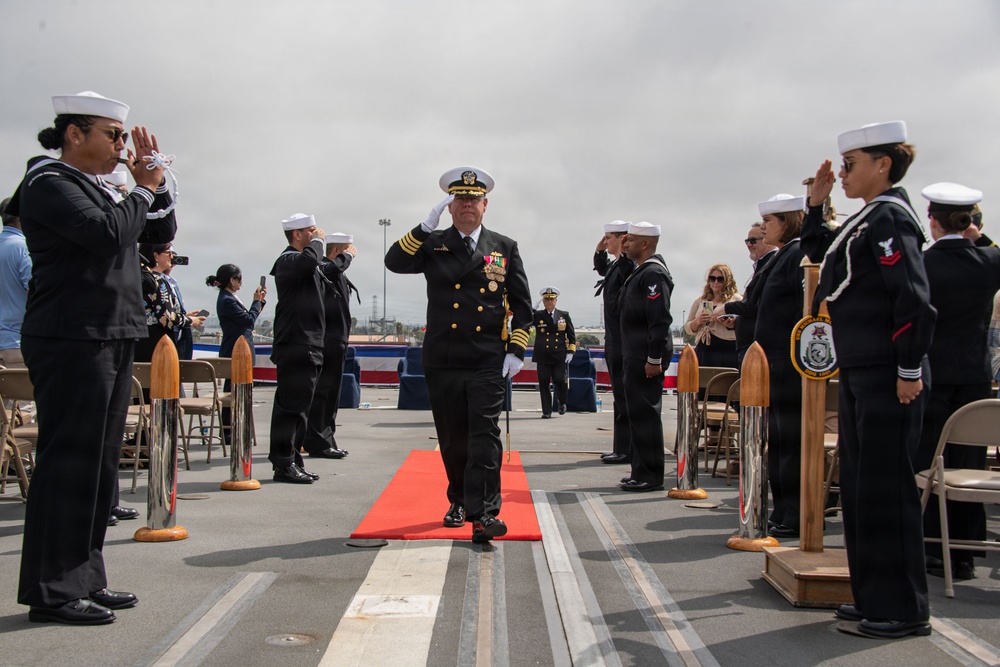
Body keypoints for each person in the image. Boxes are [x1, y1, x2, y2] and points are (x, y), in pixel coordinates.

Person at [9, 90, 176, 625]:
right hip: (71, 337)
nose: (122, 146)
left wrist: (157, 183)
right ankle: (51, 590)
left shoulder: (99, 188)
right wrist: (141, 189)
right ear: (74, 134)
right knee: (69, 464)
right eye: (114, 135)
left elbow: (157, 233)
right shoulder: (48, 183)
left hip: (110, 333)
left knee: (99, 469)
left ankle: (85, 577)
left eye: (125, 137)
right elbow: (107, 235)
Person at [802, 121, 935, 639]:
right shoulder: (868, 219)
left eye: (852, 164)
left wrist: (907, 368)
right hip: (862, 368)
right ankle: (872, 594)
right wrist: (817, 202)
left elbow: (913, 301)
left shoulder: (891, 221)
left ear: (883, 164)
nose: (845, 173)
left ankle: (902, 608)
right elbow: (820, 250)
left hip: (887, 372)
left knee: (886, 490)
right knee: (860, 488)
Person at [385, 166, 532, 543]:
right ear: (450, 206)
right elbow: (394, 263)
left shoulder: (504, 247)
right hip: (444, 358)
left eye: (474, 199)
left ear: (486, 205)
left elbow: (523, 307)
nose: (467, 205)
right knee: (453, 439)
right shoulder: (433, 243)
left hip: (487, 358)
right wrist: (422, 227)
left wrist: (515, 349)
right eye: (460, 199)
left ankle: (484, 514)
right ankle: (459, 501)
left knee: (485, 437)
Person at [916, 182, 1000, 581]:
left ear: (932, 221)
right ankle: (965, 552)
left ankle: (931, 546)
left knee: (928, 461)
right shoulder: (989, 261)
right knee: (969, 460)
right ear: (968, 221)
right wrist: (975, 235)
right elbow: (992, 250)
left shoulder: (923, 264)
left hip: (933, 371)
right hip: (974, 376)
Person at [751, 194, 806, 539]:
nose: (763, 227)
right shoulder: (782, 257)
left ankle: (794, 513)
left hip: (788, 364)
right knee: (780, 442)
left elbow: (805, 309)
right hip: (774, 364)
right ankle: (783, 509)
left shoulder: (797, 255)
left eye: (769, 222)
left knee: (790, 443)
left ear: (785, 222)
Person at [268, 213, 333, 483]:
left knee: (301, 406)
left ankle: (293, 458)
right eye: (310, 231)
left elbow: (323, 268)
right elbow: (309, 261)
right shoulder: (288, 260)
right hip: (296, 342)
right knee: (290, 407)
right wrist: (318, 242)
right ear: (297, 234)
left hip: (309, 342)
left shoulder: (306, 262)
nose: (316, 233)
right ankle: (283, 463)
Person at [617, 221, 673, 492]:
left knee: (646, 415)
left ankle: (650, 475)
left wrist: (654, 358)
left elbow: (659, 319)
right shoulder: (640, 271)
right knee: (636, 415)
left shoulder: (654, 274)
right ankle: (640, 469)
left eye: (631, 240)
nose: (625, 244)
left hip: (644, 356)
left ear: (645, 244)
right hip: (634, 352)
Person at [302, 232, 358, 457]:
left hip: (337, 341)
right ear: (337, 252)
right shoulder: (325, 269)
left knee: (331, 394)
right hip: (328, 340)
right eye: (347, 252)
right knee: (324, 393)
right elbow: (330, 270)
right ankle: (319, 441)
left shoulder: (336, 273)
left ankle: (326, 437)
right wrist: (347, 259)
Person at [208, 264, 266, 443]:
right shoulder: (227, 300)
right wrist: (256, 302)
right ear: (232, 280)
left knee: (236, 390)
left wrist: (259, 302)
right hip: (236, 350)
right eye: (239, 279)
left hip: (240, 348)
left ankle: (232, 428)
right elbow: (248, 320)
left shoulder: (230, 298)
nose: (241, 282)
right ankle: (228, 430)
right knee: (233, 390)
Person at [594, 221, 636, 464]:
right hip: (613, 338)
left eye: (609, 237)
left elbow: (624, 268)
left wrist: (621, 249)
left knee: (624, 396)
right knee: (619, 397)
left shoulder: (628, 264)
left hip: (623, 340)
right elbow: (603, 269)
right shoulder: (616, 265)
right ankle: (621, 447)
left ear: (622, 239)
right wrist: (600, 251)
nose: (605, 241)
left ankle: (626, 449)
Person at [715, 223, 777, 366]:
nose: (749, 245)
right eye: (747, 241)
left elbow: (755, 304)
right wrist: (736, 323)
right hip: (750, 346)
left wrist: (727, 308)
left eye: (753, 241)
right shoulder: (763, 265)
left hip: (756, 348)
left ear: (766, 240)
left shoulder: (770, 265)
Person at [135, 243, 205, 362]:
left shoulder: (139, 279)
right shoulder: (159, 281)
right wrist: (190, 321)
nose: (171, 257)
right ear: (156, 256)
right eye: (168, 253)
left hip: (140, 341)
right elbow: (167, 318)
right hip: (158, 345)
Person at [682, 264, 740, 369]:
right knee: (704, 383)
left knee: (726, 383)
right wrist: (698, 321)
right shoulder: (700, 300)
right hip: (704, 350)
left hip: (728, 350)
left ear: (727, 280)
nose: (715, 282)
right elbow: (688, 328)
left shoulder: (736, 300)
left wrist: (732, 323)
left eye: (720, 279)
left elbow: (746, 325)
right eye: (712, 279)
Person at [531, 286, 576, 418]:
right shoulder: (538, 315)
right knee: (544, 383)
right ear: (543, 302)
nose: (549, 302)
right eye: (546, 299)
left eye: (552, 299)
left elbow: (571, 335)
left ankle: (562, 402)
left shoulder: (564, 315)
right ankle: (546, 411)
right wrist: (532, 310)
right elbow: (525, 322)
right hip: (542, 355)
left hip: (559, 355)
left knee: (560, 380)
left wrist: (571, 352)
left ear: (556, 301)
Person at [0, 197, 32, 371]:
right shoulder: (24, 248)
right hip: (18, 341)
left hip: (4, 342)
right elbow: (34, 291)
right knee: (25, 396)